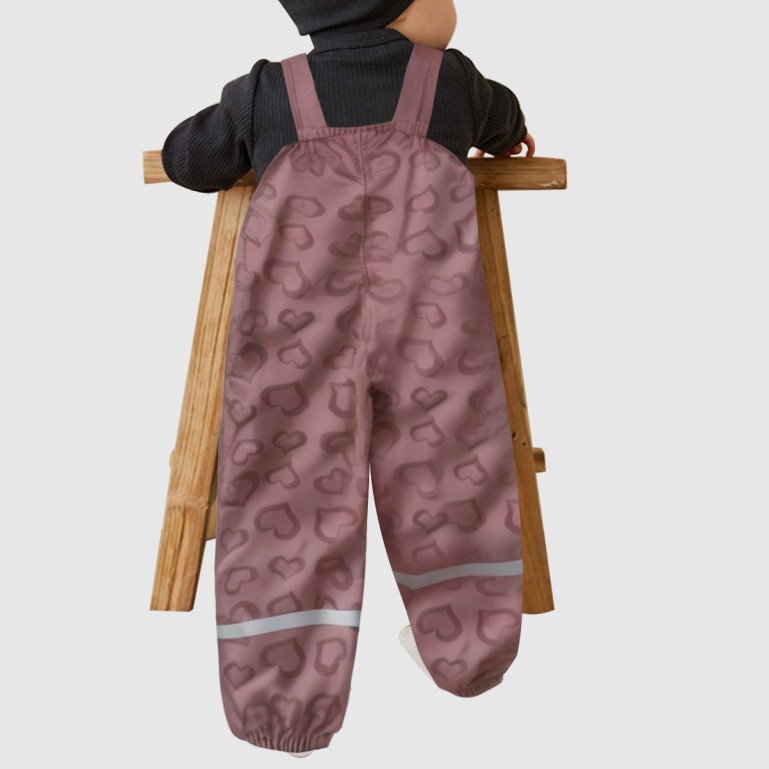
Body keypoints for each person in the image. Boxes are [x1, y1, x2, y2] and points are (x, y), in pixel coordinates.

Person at [161, 0, 532, 756]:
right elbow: (505, 122)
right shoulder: (452, 83)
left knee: (287, 486)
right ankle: (467, 648)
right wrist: (510, 132)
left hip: (294, 343)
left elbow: (188, 160)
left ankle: (283, 701)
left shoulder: (267, 92)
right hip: (435, 335)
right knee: (451, 466)